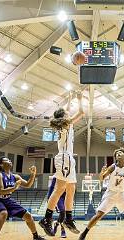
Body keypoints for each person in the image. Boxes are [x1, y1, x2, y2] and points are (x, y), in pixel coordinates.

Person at [39, 91, 84, 236]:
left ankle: (68, 218)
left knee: (71, 189)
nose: (69, 113)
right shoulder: (66, 123)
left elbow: (66, 110)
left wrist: (70, 99)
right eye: (67, 113)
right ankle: (47, 218)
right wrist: (80, 99)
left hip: (67, 158)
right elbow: (81, 112)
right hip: (65, 158)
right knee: (59, 189)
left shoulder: (63, 123)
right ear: (64, 116)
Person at [0, 157, 44, 240]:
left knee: (28, 216)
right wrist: (14, 187)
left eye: (9, 159)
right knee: (3, 213)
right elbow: (0, 191)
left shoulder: (15, 177)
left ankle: (36, 237)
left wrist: (33, 174)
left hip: (7, 200)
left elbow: (28, 185)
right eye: (7, 160)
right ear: (1, 164)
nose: (10, 160)